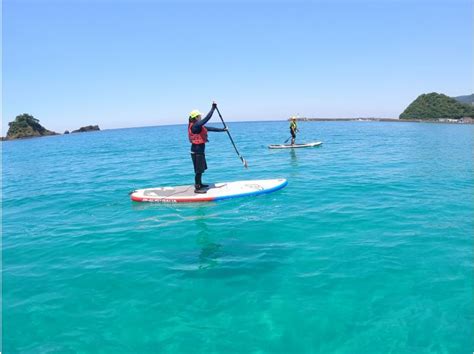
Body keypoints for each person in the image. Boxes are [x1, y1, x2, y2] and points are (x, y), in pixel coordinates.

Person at [188, 102, 227, 193]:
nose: (201, 117)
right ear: (196, 117)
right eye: (199, 116)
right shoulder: (195, 126)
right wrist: (213, 108)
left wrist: (223, 130)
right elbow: (207, 119)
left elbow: (210, 128)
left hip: (200, 151)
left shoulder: (198, 126)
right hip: (196, 152)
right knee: (198, 170)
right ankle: (197, 188)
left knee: (200, 169)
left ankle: (200, 184)